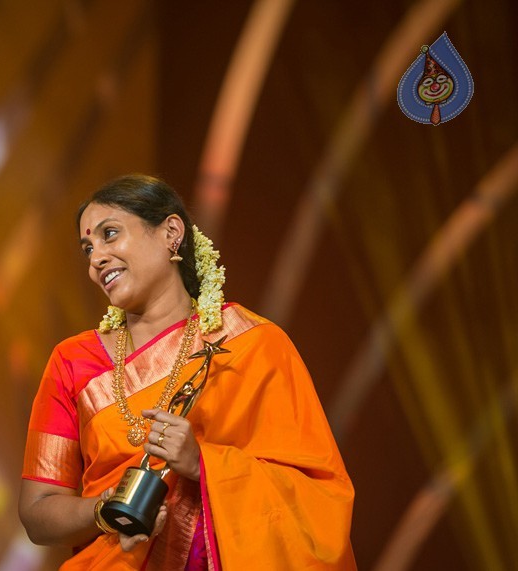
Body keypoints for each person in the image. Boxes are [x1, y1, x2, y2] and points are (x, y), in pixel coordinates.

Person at [18, 174, 356, 570]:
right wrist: (106, 510)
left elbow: (319, 496)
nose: (96, 259)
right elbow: (38, 511)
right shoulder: (73, 361)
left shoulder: (253, 344)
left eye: (110, 234)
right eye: (88, 248)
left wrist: (202, 463)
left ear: (171, 233)